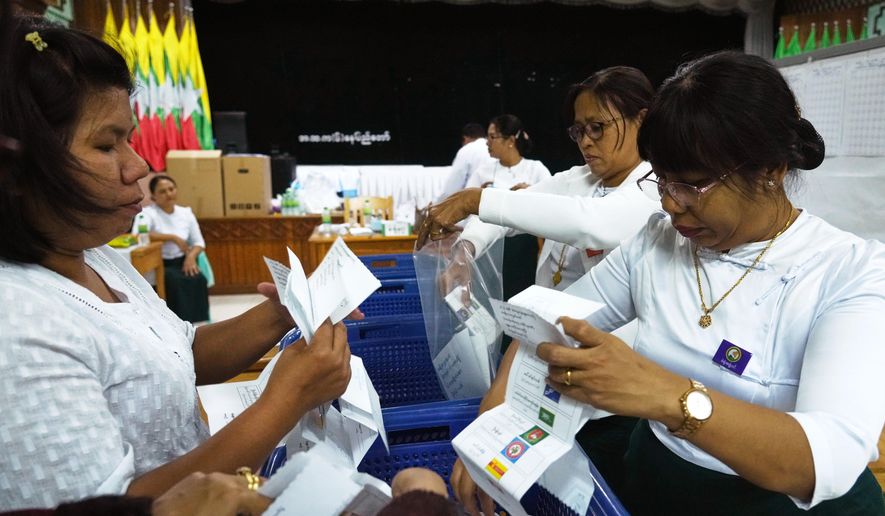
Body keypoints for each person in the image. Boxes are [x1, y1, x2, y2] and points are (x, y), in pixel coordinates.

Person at [0, 16, 353, 511]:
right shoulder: (16, 322)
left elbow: (177, 351)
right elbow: (112, 507)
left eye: (129, 139)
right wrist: (285, 400)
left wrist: (282, 313)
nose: (138, 166)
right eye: (105, 145)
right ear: (16, 170)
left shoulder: (95, 255)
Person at [536, 51, 885, 514]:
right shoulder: (657, 243)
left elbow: (824, 460)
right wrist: (495, 421)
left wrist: (667, 395)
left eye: (693, 184)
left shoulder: (848, 271)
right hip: (659, 479)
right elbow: (551, 322)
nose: (670, 204)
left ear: (770, 170)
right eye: (661, 181)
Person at [429, 67, 659, 515]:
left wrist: (477, 199)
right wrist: (466, 250)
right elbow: (516, 210)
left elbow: (589, 222)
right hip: (543, 361)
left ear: (642, 120)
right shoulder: (579, 180)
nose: (586, 141)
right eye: (578, 130)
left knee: (594, 490)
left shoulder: (653, 189)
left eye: (598, 127)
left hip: (606, 398)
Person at [461, 114, 551, 304]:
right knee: (491, 302)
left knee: (521, 302)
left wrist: (530, 193)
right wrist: (479, 199)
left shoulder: (535, 169)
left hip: (524, 250)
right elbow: (465, 210)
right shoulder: (482, 172)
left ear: (510, 141)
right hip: (488, 248)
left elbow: (552, 206)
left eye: (492, 137)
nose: (487, 142)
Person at [136, 174, 210, 322]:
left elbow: (199, 242)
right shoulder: (147, 214)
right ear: (153, 196)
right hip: (159, 264)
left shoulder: (186, 213)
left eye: (171, 189)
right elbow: (139, 235)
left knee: (199, 279)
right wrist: (172, 237)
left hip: (182, 261)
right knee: (173, 281)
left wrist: (190, 257)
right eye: (162, 191)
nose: (168, 194)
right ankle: (177, 323)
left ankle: (196, 323)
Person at [435, 122, 495, 202]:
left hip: (474, 203)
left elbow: (452, 186)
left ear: (465, 138)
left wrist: (437, 204)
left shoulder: (467, 150)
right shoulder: (496, 149)